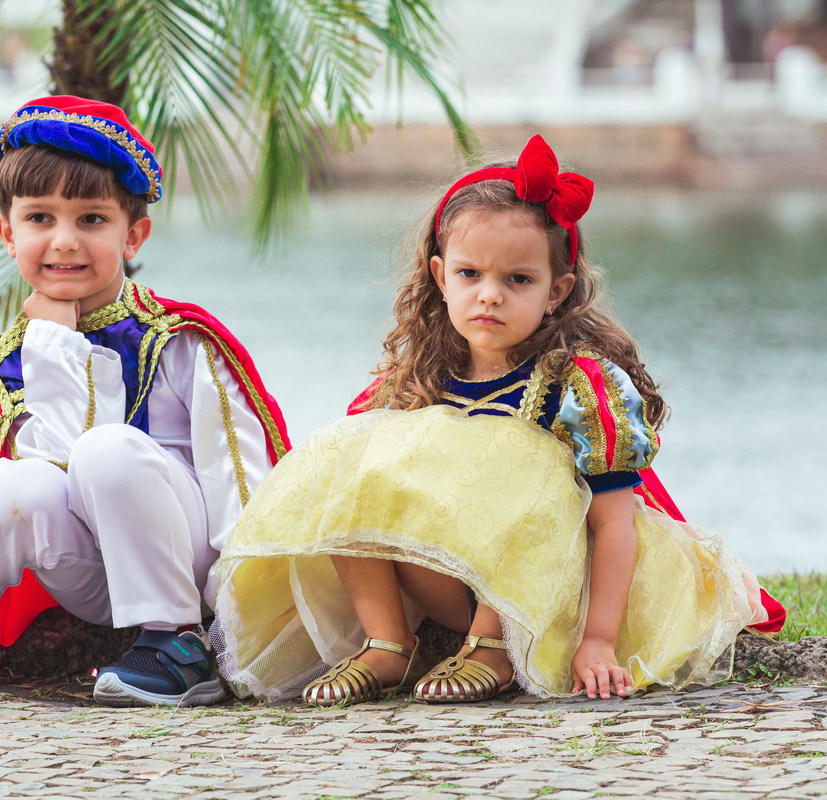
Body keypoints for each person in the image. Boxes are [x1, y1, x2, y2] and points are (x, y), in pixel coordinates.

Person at [209, 135, 784, 706]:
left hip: (549, 588)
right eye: (470, 274)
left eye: (518, 280)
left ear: (557, 291)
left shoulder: (577, 386)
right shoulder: (418, 376)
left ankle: (493, 648)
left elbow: (614, 524)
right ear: (440, 277)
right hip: (444, 577)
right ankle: (386, 642)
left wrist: (598, 640)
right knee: (347, 461)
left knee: (524, 458)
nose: (490, 296)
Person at [0, 95, 290, 707]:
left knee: (108, 450)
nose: (64, 242)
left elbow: (238, 478)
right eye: (40, 218)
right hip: (92, 573)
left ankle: (177, 644)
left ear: (134, 235)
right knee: (15, 483)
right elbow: (53, 459)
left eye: (92, 220)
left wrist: (241, 609)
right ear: (7, 233)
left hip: (184, 564)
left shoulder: (180, 340)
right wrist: (53, 341)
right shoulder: (20, 353)